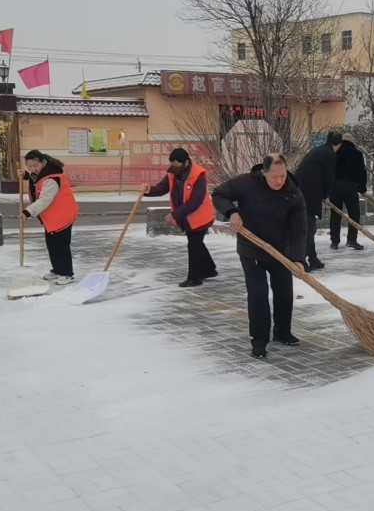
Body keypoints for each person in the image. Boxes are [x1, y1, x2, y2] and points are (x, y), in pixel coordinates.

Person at [212, 153, 308, 359]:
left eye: (282, 176)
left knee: (284, 292)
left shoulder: (293, 192)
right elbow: (218, 194)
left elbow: (299, 229)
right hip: (251, 249)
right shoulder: (246, 183)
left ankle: (282, 332)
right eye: (274, 176)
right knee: (258, 294)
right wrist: (232, 212)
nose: (279, 180)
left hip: (281, 251)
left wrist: (298, 259)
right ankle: (259, 340)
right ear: (264, 172)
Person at [142, 147, 217, 288]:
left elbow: (195, 201)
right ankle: (209, 269)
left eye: (176, 165)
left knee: (194, 245)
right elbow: (162, 188)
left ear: (186, 162)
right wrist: (149, 190)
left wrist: (175, 214)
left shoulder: (198, 175)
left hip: (200, 216)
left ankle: (194, 278)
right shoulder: (172, 173)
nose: (174, 168)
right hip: (186, 216)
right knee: (197, 244)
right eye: (172, 165)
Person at [20, 150, 79, 285]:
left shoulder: (52, 178)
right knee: (52, 244)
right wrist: (26, 176)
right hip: (52, 216)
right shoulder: (43, 173)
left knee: (61, 245)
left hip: (62, 215)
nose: (33, 169)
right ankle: (57, 270)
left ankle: (67, 274)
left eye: (35, 166)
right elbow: (36, 180)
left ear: (42, 162)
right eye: (29, 166)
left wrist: (27, 212)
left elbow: (44, 200)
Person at [294, 131, 342, 271]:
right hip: (308, 194)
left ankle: (312, 258)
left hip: (301, 191)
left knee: (310, 228)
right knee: (308, 229)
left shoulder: (319, 151)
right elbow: (329, 178)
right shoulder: (330, 154)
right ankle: (301, 260)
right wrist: (328, 194)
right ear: (339, 144)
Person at [330, 132, 367, 251]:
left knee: (335, 214)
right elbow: (361, 172)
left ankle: (334, 242)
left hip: (335, 187)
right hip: (350, 187)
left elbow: (328, 171)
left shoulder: (334, 152)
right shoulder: (356, 153)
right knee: (354, 213)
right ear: (352, 142)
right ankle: (351, 240)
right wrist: (362, 188)